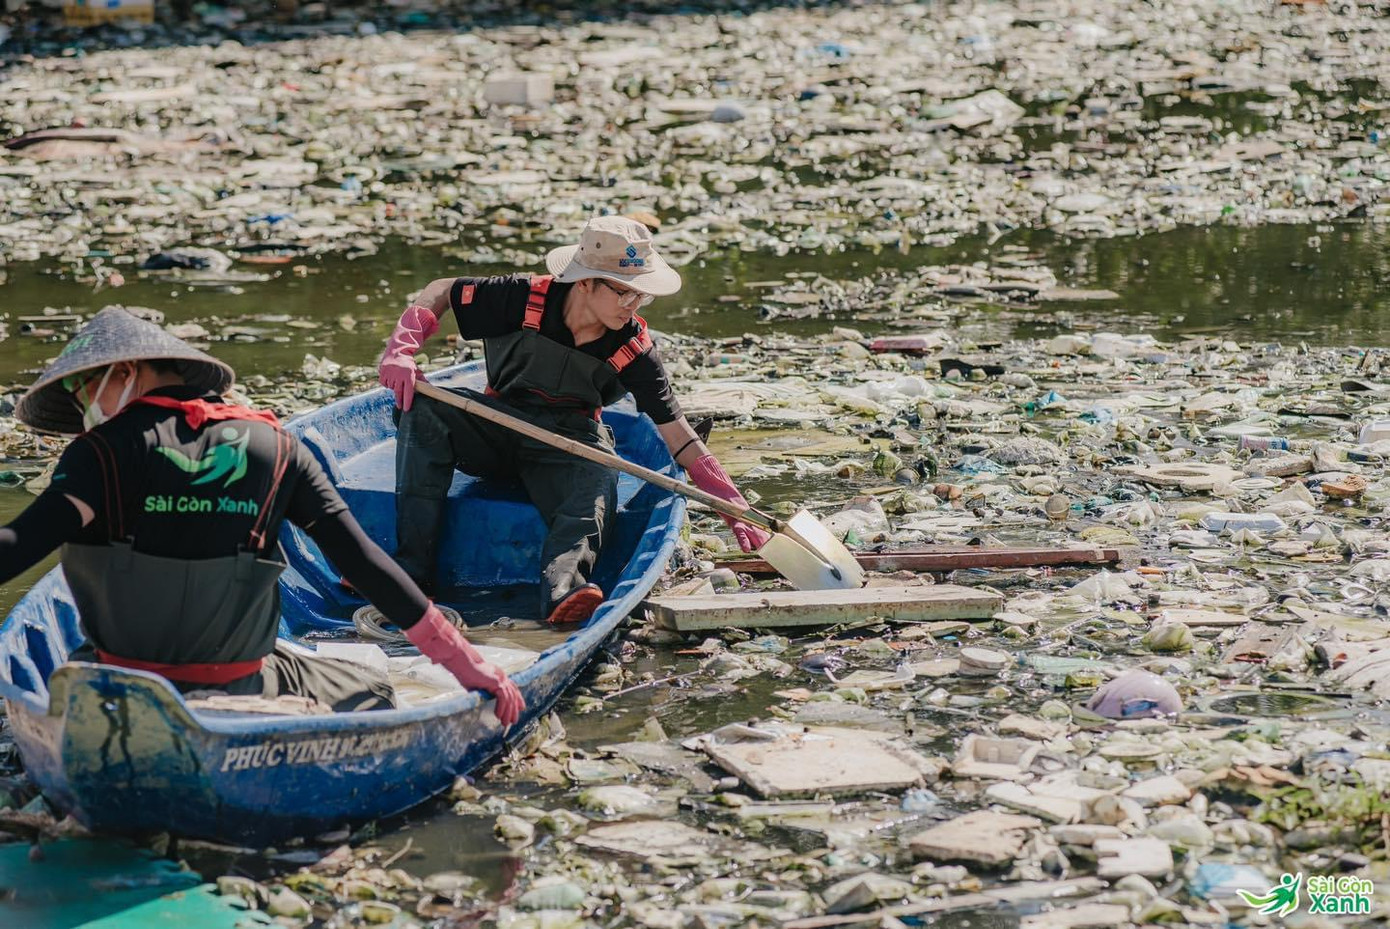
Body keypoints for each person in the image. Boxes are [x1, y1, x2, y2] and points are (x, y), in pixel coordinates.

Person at [0, 308, 523, 723]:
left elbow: (18, 547)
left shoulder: (100, 453)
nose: (83, 403)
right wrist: (467, 663)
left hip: (123, 679)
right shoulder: (276, 446)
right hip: (244, 681)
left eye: (82, 388)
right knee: (375, 690)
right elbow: (365, 565)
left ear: (124, 372)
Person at [378, 215, 769, 626]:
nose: (632, 305)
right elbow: (444, 290)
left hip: (571, 442)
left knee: (599, 482)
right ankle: (410, 572)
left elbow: (680, 437)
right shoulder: (522, 296)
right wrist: (402, 347)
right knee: (420, 407)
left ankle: (563, 591)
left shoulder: (634, 347)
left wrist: (733, 505)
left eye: (641, 296)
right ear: (584, 282)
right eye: (623, 293)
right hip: (495, 422)